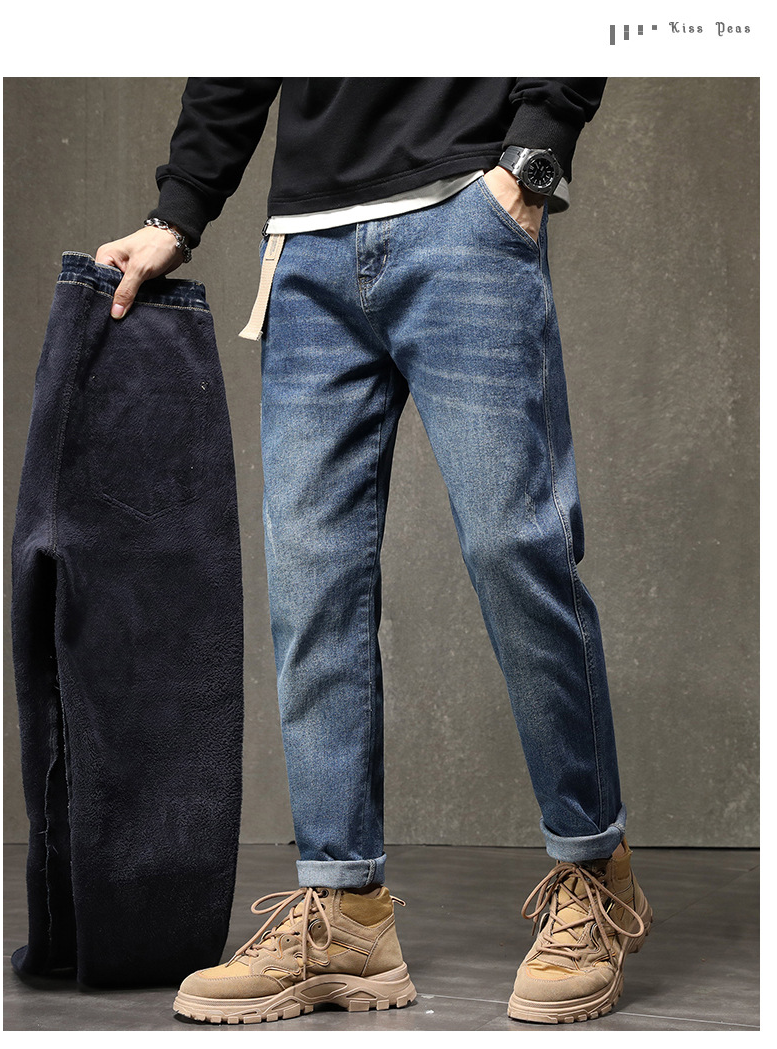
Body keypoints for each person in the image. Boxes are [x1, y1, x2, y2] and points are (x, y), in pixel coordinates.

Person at [96, 78, 651, 1026]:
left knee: (516, 549)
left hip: (467, 206)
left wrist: (532, 156)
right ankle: (345, 912)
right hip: (307, 244)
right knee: (311, 583)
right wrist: (177, 212)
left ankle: (596, 871)